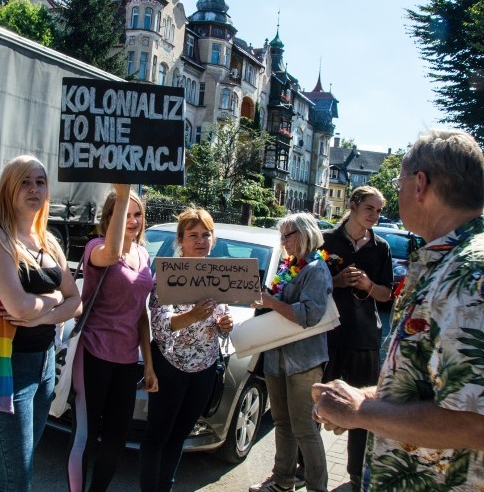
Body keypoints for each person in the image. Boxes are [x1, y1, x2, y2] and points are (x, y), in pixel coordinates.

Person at [312, 129, 484, 491]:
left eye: (399, 180)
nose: (397, 192)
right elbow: (437, 389)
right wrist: (363, 397)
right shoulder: (453, 263)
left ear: (420, 184)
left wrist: (360, 411)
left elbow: (477, 423)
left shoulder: (479, 274)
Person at [0, 155, 81, 492]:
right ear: (9, 189)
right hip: (5, 368)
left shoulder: (49, 243)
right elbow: (17, 305)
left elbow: (77, 302)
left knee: (18, 469)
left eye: (41, 182)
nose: (34, 189)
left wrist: (46, 310)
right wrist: (55, 300)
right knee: (16, 477)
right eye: (25, 182)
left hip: (45, 364)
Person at [67, 184, 158, 492]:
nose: (133, 221)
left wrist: (147, 363)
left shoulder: (145, 255)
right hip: (93, 354)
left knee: (116, 442)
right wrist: (122, 195)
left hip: (126, 360)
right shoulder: (97, 247)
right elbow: (112, 252)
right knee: (86, 436)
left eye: (138, 214)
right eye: (125, 214)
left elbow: (140, 314)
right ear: (109, 218)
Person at [139, 207, 234, 492]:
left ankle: (165, 487)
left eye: (206, 235)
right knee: (158, 436)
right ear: (181, 240)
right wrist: (192, 316)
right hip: (170, 366)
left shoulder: (218, 274)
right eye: (193, 235)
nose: (201, 241)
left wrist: (224, 323)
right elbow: (160, 324)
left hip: (204, 368)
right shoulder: (168, 273)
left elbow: (221, 318)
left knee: (179, 435)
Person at [249, 212, 332, 492]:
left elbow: (309, 314)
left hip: (304, 363)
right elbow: (275, 304)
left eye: (289, 235)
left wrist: (271, 303)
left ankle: (316, 488)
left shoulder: (316, 268)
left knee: (305, 430)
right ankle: (282, 481)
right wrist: (263, 301)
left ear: (305, 234)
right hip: (277, 358)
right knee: (282, 423)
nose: (283, 242)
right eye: (281, 236)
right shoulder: (289, 266)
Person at [318, 186, 393, 492]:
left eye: (378, 210)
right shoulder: (326, 240)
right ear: (352, 205)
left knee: (363, 413)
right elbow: (302, 279)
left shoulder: (381, 247)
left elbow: (387, 294)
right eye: (370, 208)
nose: (374, 215)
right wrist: (335, 280)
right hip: (328, 336)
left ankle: (355, 476)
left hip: (364, 339)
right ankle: (302, 467)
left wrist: (368, 284)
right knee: (319, 404)